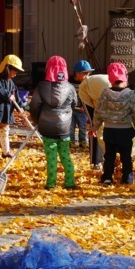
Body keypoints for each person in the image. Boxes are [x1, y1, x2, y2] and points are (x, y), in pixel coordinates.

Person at [30, 56, 78, 189]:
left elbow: (34, 106)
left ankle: (51, 184)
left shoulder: (41, 87)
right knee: (65, 155)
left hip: (47, 127)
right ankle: (70, 182)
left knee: (51, 157)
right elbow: (74, 103)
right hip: (64, 128)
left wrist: (37, 120)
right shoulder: (70, 87)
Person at [92, 62, 135, 185]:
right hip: (125, 131)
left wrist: (95, 126)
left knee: (109, 156)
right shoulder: (130, 94)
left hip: (109, 130)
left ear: (110, 79)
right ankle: (127, 177)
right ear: (125, 78)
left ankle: (108, 177)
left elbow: (98, 111)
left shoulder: (105, 93)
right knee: (126, 157)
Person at [78, 69, 112, 171]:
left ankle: (105, 159)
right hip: (91, 93)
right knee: (96, 128)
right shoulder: (85, 86)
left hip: (101, 96)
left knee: (103, 128)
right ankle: (97, 162)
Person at [69, 60, 92, 148]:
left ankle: (83, 141)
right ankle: (71, 141)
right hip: (71, 109)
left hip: (82, 110)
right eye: (84, 74)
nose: (87, 76)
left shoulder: (87, 83)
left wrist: (85, 106)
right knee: (71, 127)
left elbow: (89, 96)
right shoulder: (69, 82)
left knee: (82, 126)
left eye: (88, 74)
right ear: (77, 73)